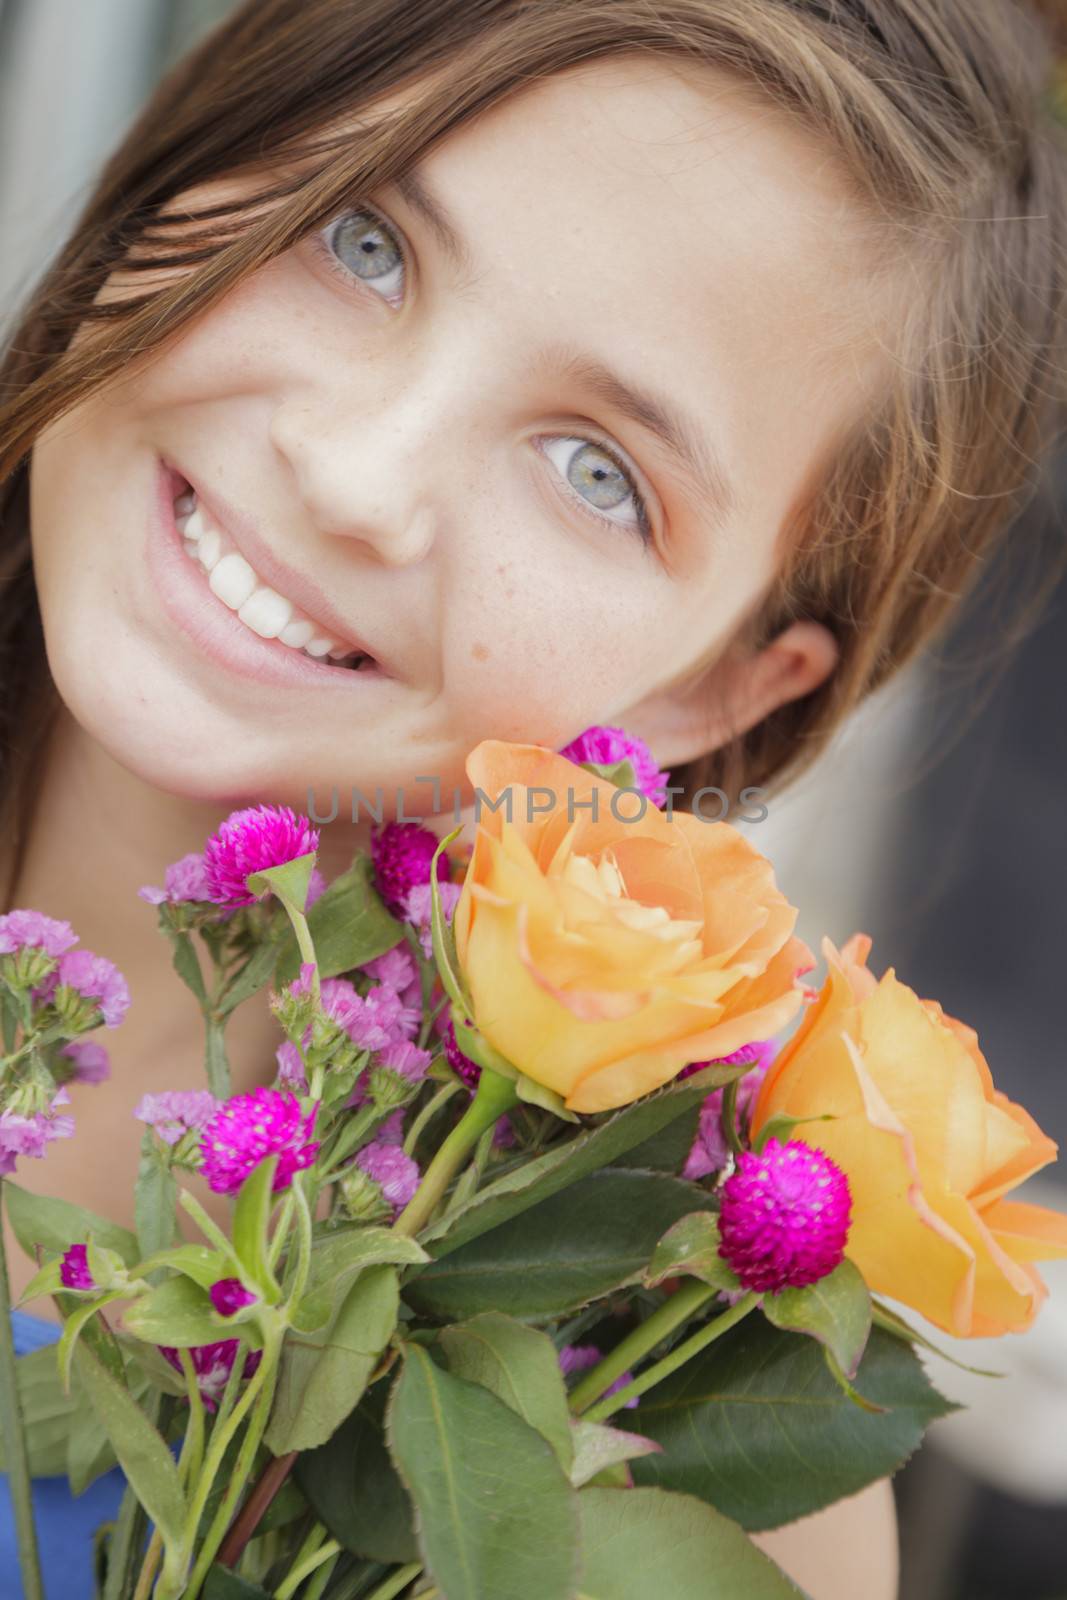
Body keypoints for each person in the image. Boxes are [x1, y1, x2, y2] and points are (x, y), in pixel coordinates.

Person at [1, 1, 1064, 1595]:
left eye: (596, 473)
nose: (359, 476)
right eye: (364, 241)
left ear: (716, 688)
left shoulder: (669, 1481)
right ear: (206, 137)